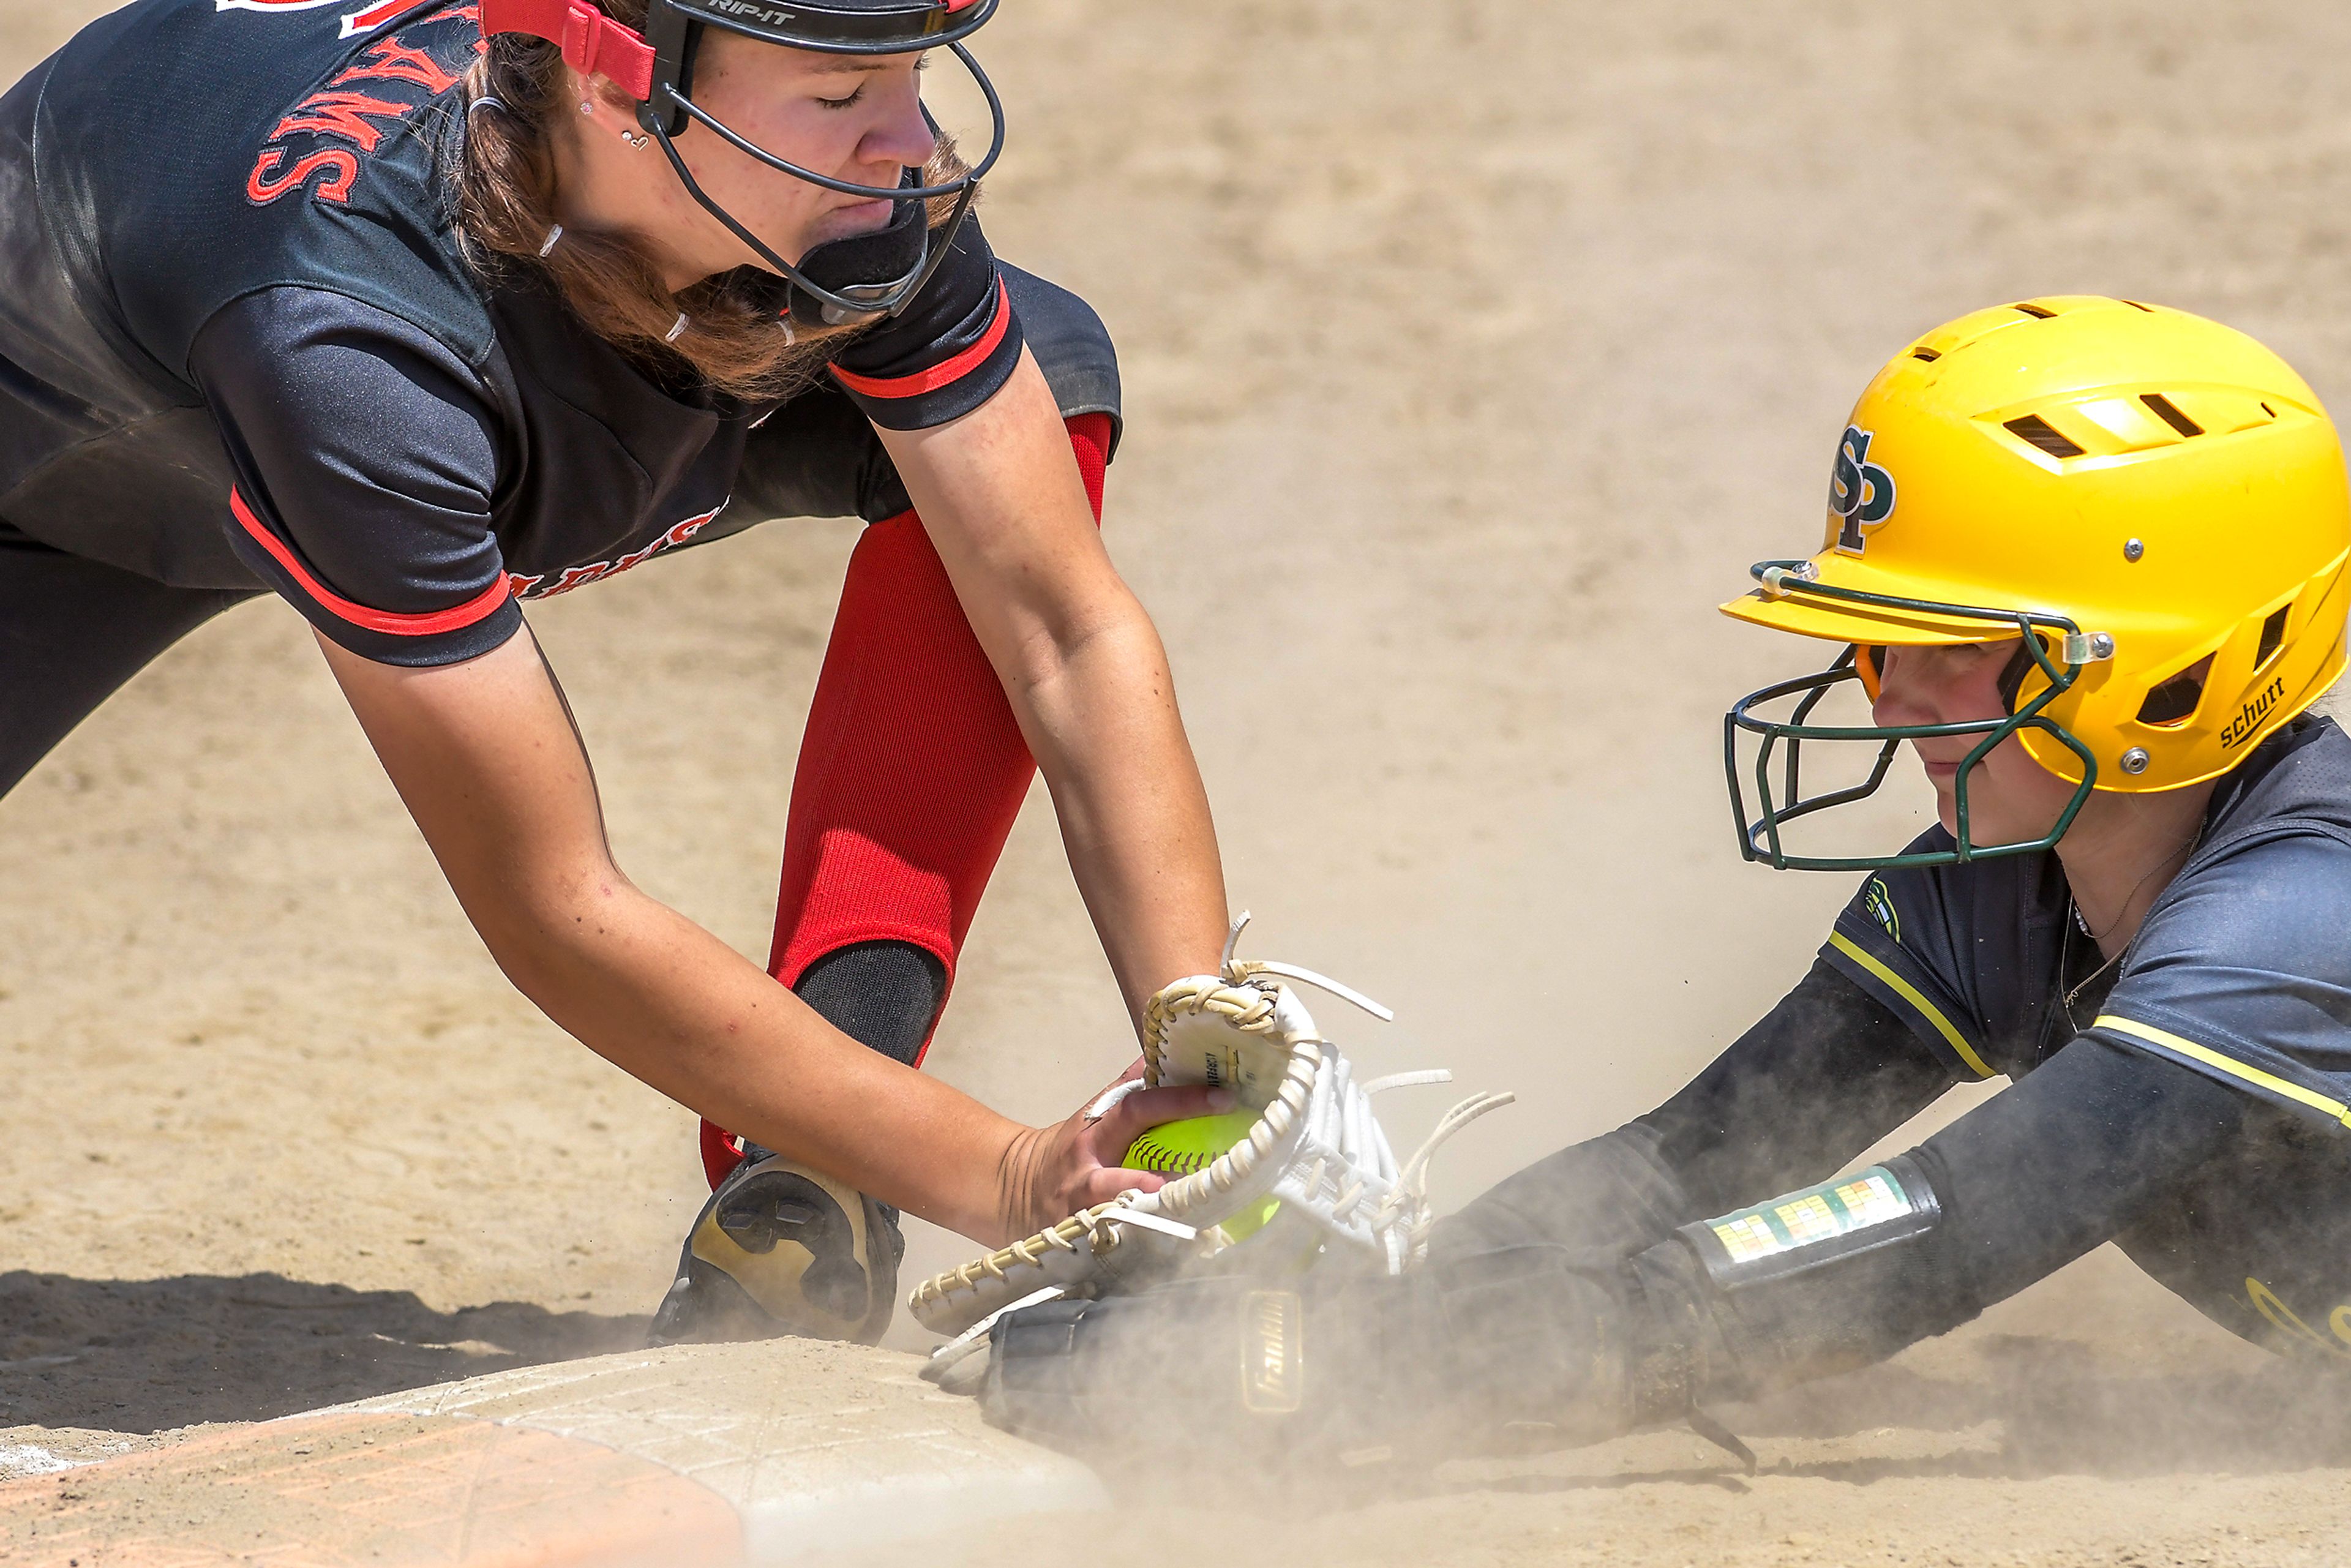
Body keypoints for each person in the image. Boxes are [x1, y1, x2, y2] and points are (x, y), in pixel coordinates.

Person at [0, 0, 1236, 1347]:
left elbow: (1063, 632)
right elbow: (555, 906)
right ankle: (865, 1132)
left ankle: (817, 1149)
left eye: (910, 79)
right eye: (836, 99)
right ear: (615, 87)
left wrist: (1208, 1058)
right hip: (60, 469)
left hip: (456, 346)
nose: (906, 140)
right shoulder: (352, 344)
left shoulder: (854, 187)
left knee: (1036, 396)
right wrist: (1010, 1177)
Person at [978, 296, 2351, 1463]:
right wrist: (1404, 1287)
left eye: (1954, 650)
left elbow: (1928, 1241)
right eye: (1881, 648)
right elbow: (1678, 1172)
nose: (1888, 706)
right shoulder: (2002, 884)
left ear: (2178, 665)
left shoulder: (2302, 914)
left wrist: (1325, 1373)